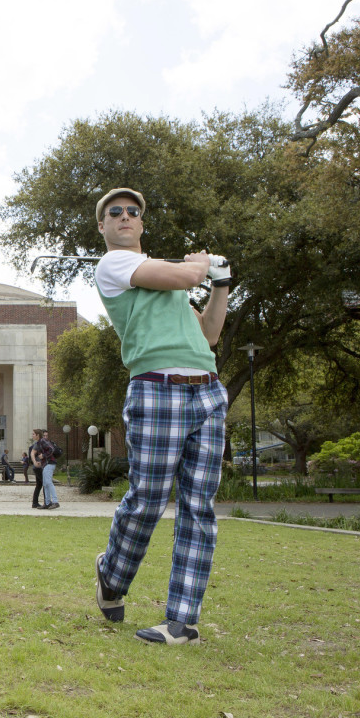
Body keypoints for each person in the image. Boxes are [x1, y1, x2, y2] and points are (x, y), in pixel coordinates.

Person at [90, 188, 231, 646]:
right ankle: (111, 574)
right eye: (116, 212)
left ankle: (181, 622)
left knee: (198, 508)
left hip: (207, 391)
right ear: (104, 226)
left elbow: (208, 333)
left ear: (142, 224)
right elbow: (186, 274)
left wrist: (221, 284)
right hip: (156, 389)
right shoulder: (114, 264)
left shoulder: (167, 283)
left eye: (134, 212)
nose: (125, 216)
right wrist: (202, 263)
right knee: (148, 500)